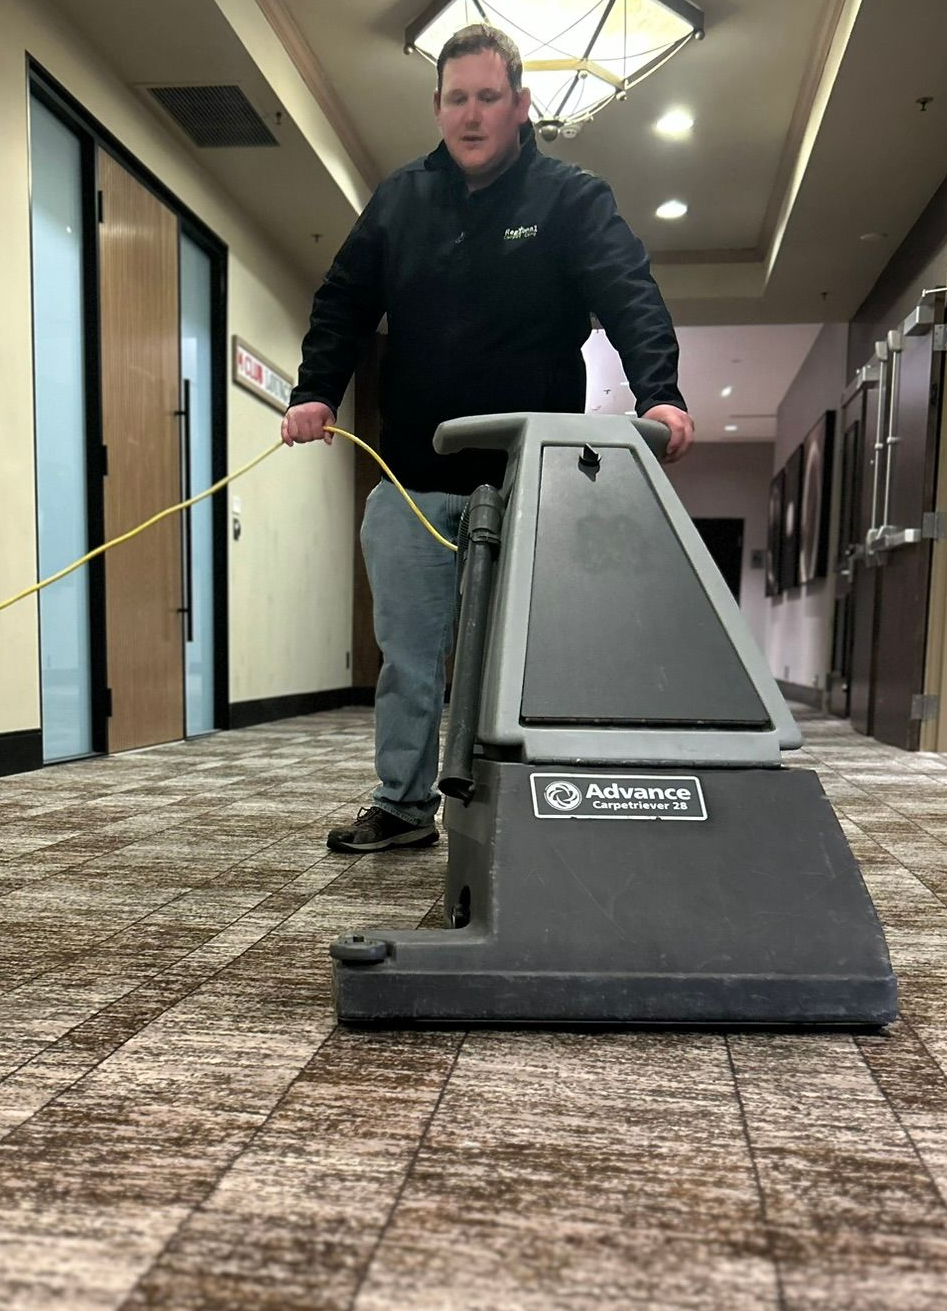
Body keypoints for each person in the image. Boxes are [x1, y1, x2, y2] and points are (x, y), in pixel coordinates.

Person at [282, 20, 694, 854]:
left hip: (527, 482)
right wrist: (316, 391)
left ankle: (525, 802)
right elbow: (343, 302)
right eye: (457, 99)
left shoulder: (571, 200)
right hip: (412, 478)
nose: (472, 116)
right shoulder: (400, 201)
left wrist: (663, 392)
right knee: (408, 656)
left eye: (489, 97)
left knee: (525, 655)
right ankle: (402, 806)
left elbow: (629, 294)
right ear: (438, 108)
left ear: (521, 105)